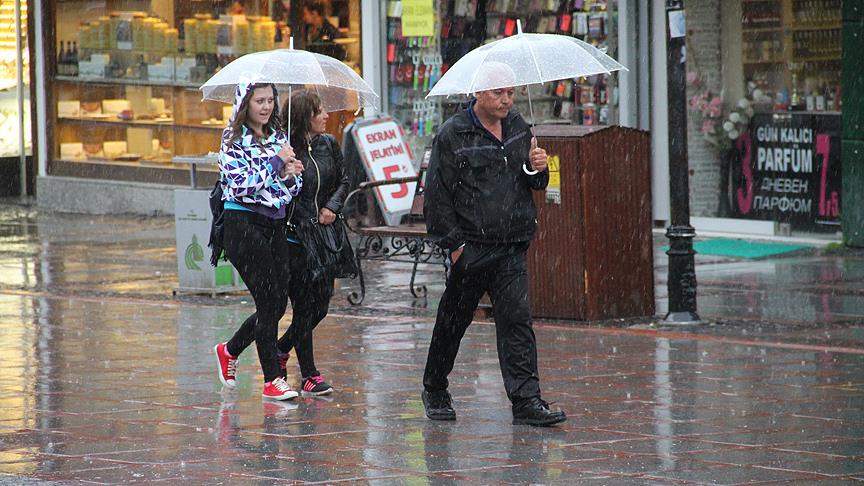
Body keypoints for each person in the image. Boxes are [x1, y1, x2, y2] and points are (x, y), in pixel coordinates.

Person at [420, 63, 567, 427]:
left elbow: (534, 184)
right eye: (498, 93)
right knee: (453, 321)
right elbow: (437, 195)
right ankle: (435, 387)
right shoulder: (454, 134)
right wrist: (455, 247)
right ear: (478, 94)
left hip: (512, 244)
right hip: (471, 247)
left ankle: (526, 400)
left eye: (510, 92)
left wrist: (537, 168)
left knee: (516, 321)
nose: (506, 99)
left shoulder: (519, 126)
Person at [213, 81, 305, 401]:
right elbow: (241, 185)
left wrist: (292, 174)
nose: (266, 107)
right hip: (242, 224)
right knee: (268, 301)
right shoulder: (232, 139)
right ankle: (272, 379)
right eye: (259, 101)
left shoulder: (278, 136)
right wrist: (277, 166)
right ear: (245, 105)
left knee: (278, 304)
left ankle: (230, 350)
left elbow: (289, 189)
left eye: (270, 100)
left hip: (275, 223)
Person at [276, 90, 349, 396]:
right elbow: (279, 194)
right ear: (305, 115)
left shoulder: (329, 144)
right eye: (319, 111)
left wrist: (332, 206)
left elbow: (345, 179)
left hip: (326, 235)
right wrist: (287, 173)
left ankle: (281, 348)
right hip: (296, 238)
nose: (325, 116)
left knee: (320, 305)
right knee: (304, 304)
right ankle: (309, 374)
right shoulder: (286, 151)